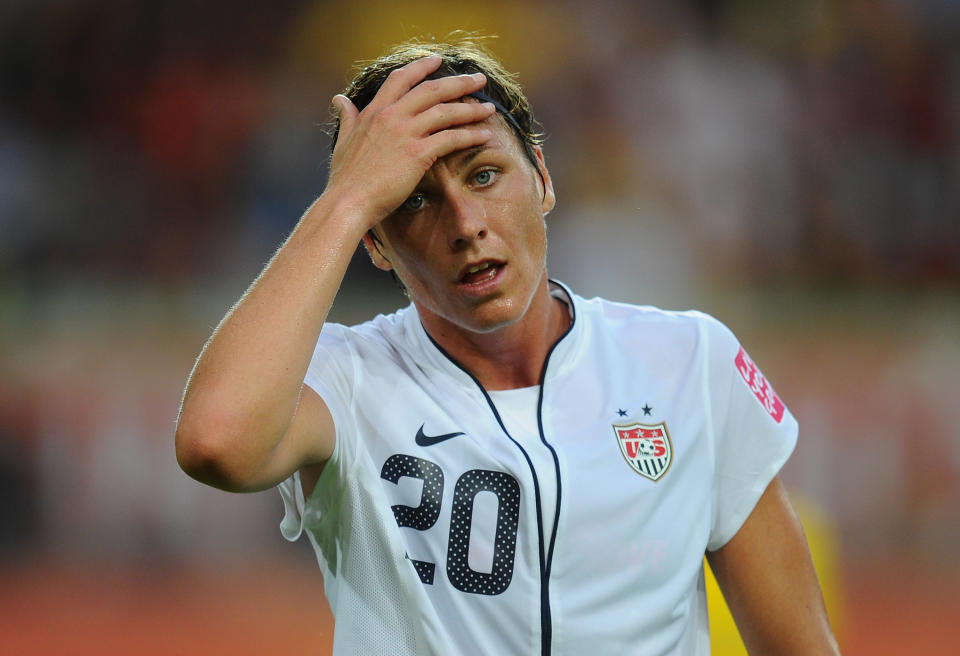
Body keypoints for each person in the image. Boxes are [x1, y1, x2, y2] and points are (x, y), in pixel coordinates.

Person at [175, 37, 840, 655]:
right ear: (374, 244)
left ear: (543, 179)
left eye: (485, 175)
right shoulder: (343, 379)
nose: (466, 225)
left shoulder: (691, 364)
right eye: (413, 201)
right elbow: (217, 442)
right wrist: (346, 200)